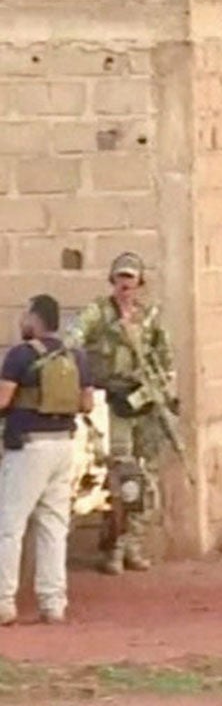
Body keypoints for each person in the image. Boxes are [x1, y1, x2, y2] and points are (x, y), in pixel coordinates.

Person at [69, 253, 176, 574]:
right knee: (120, 477)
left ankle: (133, 543)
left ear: (140, 283)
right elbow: (73, 340)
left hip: (143, 404)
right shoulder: (99, 313)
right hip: (112, 404)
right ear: (113, 281)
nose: (125, 286)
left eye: (131, 280)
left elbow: (166, 362)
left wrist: (162, 394)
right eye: (120, 279)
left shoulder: (150, 317)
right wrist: (88, 382)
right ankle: (113, 548)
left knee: (147, 479)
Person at [0, 295, 97, 625]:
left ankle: (3, 602)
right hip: (64, 447)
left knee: (10, 525)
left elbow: (3, 400)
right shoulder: (77, 358)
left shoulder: (20, 355)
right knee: (54, 526)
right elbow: (87, 404)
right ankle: (53, 603)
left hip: (28, 448)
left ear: (35, 318)